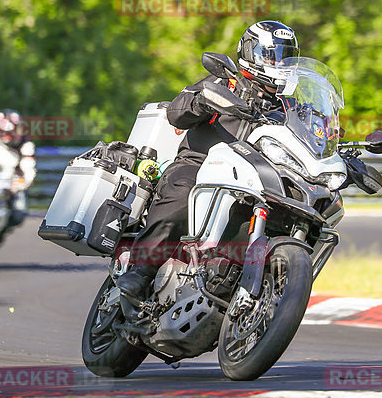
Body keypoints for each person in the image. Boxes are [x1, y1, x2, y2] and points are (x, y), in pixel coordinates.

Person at [117, 21, 300, 298]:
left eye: (286, 57)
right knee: (183, 197)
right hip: (199, 166)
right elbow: (176, 113)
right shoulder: (225, 82)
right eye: (273, 55)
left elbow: (318, 134)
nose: (279, 63)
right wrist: (201, 101)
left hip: (255, 182)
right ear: (251, 52)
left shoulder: (289, 108)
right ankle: (141, 271)